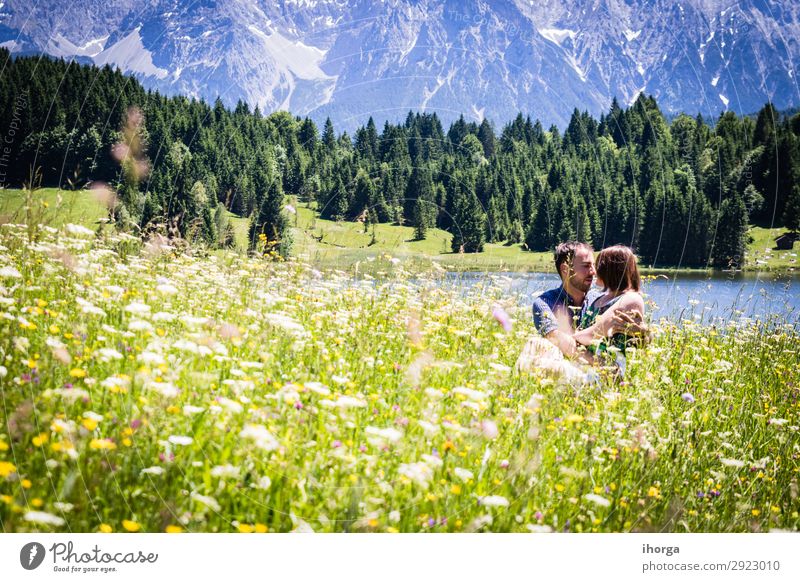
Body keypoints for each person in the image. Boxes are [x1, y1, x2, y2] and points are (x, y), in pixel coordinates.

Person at [531, 241, 602, 357]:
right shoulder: (545, 303)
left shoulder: (600, 301)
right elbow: (563, 345)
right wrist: (602, 365)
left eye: (593, 265)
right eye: (586, 266)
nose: (593, 272)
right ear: (565, 269)